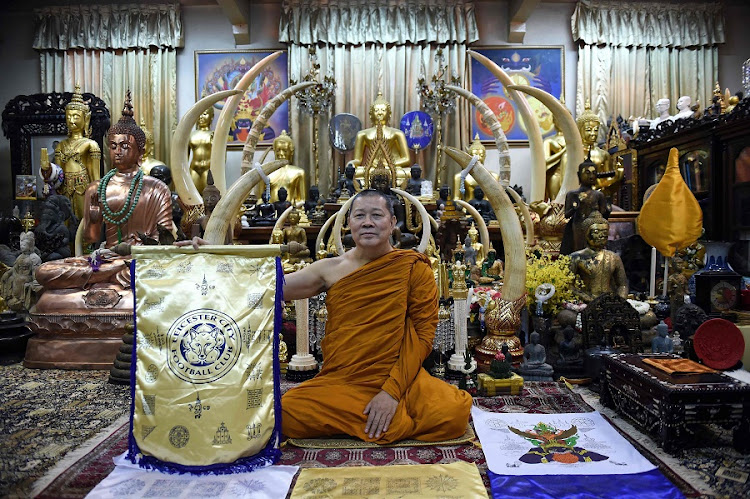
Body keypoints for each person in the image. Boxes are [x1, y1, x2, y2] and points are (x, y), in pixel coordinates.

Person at [180, 189, 472, 443]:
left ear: (392, 222)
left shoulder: (412, 267)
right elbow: (270, 286)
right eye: (359, 216)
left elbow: (422, 337)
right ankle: (372, 420)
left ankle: (369, 418)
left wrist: (391, 393)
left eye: (376, 215)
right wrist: (215, 256)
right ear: (348, 224)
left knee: (454, 413)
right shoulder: (330, 268)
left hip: (400, 379)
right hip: (346, 380)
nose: (367, 222)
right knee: (286, 412)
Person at [44, 84, 101, 221]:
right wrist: (47, 172)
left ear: (85, 118)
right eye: (68, 117)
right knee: (65, 220)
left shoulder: (90, 145)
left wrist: (97, 194)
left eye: (76, 116)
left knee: (83, 219)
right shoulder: (61, 145)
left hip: (83, 187)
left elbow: (95, 175)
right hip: (63, 188)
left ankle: (86, 243)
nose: (71, 120)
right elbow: (57, 173)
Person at [351, 92, 411, 188]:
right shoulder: (362, 134)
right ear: (371, 114)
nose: (380, 113)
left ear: (389, 114)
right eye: (376, 110)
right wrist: (351, 164)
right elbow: (358, 160)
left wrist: (389, 164)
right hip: (371, 169)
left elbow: (406, 159)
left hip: (391, 168)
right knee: (355, 173)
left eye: (383, 110)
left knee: (409, 173)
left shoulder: (397, 133)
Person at [568, 210, 628, 302]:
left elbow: (622, 285)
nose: (601, 236)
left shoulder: (613, 257)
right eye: (596, 232)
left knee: (649, 316)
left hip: (609, 302)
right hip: (586, 302)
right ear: (586, 234)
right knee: (566, 316)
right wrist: (587, 298)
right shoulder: (576, 257)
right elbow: (569, 286)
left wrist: (620, 301)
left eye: (605, 232)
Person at [561, 156, 611, 254]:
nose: (591, 176)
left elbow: (603, 216)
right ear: (579, 175)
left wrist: (608, 210)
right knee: (578, 250)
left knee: (594, 251)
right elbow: (566, 214)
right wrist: (575, 207)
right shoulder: (572, 194)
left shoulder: (599, 195)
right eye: (587, 173)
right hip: (578, 225)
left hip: (595, 228)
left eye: (594, 173)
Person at [260, 130, 306, 204]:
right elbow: (260, 199)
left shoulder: (298, 173)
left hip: (290, 210)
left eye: (285, 150)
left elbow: (302, 200)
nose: (281, 154)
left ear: (291, 152)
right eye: (278, 150)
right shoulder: (266, 173)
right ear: (274, 151)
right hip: (270, 212)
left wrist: (294, 206)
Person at [452, 134, 499, 201]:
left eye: (481, 155)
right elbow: (456, 199)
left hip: (488, 209)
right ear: (469, 157)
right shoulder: (460, 177)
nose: (478, 158)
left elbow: (497, 200)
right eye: (474, 156)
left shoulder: (494, 176)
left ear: (485, 156)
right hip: (468, 209)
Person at [188, 105, 214, 194]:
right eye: (199, 114)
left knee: (208, 197)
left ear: (211, 117)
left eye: (205, 114)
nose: (201, 117)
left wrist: (217, 172)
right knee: (192, 196)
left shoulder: (214, 135)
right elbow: (184, 157)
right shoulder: (191, 135)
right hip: (193, 169)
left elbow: (221, 157)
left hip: (208, 169)